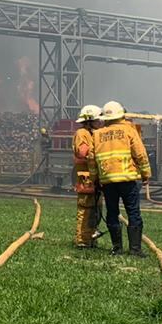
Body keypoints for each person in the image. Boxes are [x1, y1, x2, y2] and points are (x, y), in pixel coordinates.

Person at [90, 100, 151, 256]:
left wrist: (95, 178)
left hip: (108, 181)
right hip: (127, 179)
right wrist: (146, 174)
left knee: (112, 213)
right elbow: (140, 154)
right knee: (133, 213)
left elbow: (92, 159)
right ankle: (135, 250)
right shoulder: (129, 130)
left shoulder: (97, 135)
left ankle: (117, 248)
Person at [72, 104, 104, 248]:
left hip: (94, 179)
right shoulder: (82, 133)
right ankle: (82, 240)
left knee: (96, 210)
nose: (100, 123)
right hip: (85, 180)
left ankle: (91, 238)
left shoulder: (93, 133)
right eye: (97, 121)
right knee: (85, 210)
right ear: (89, 121)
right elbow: (83, 152)